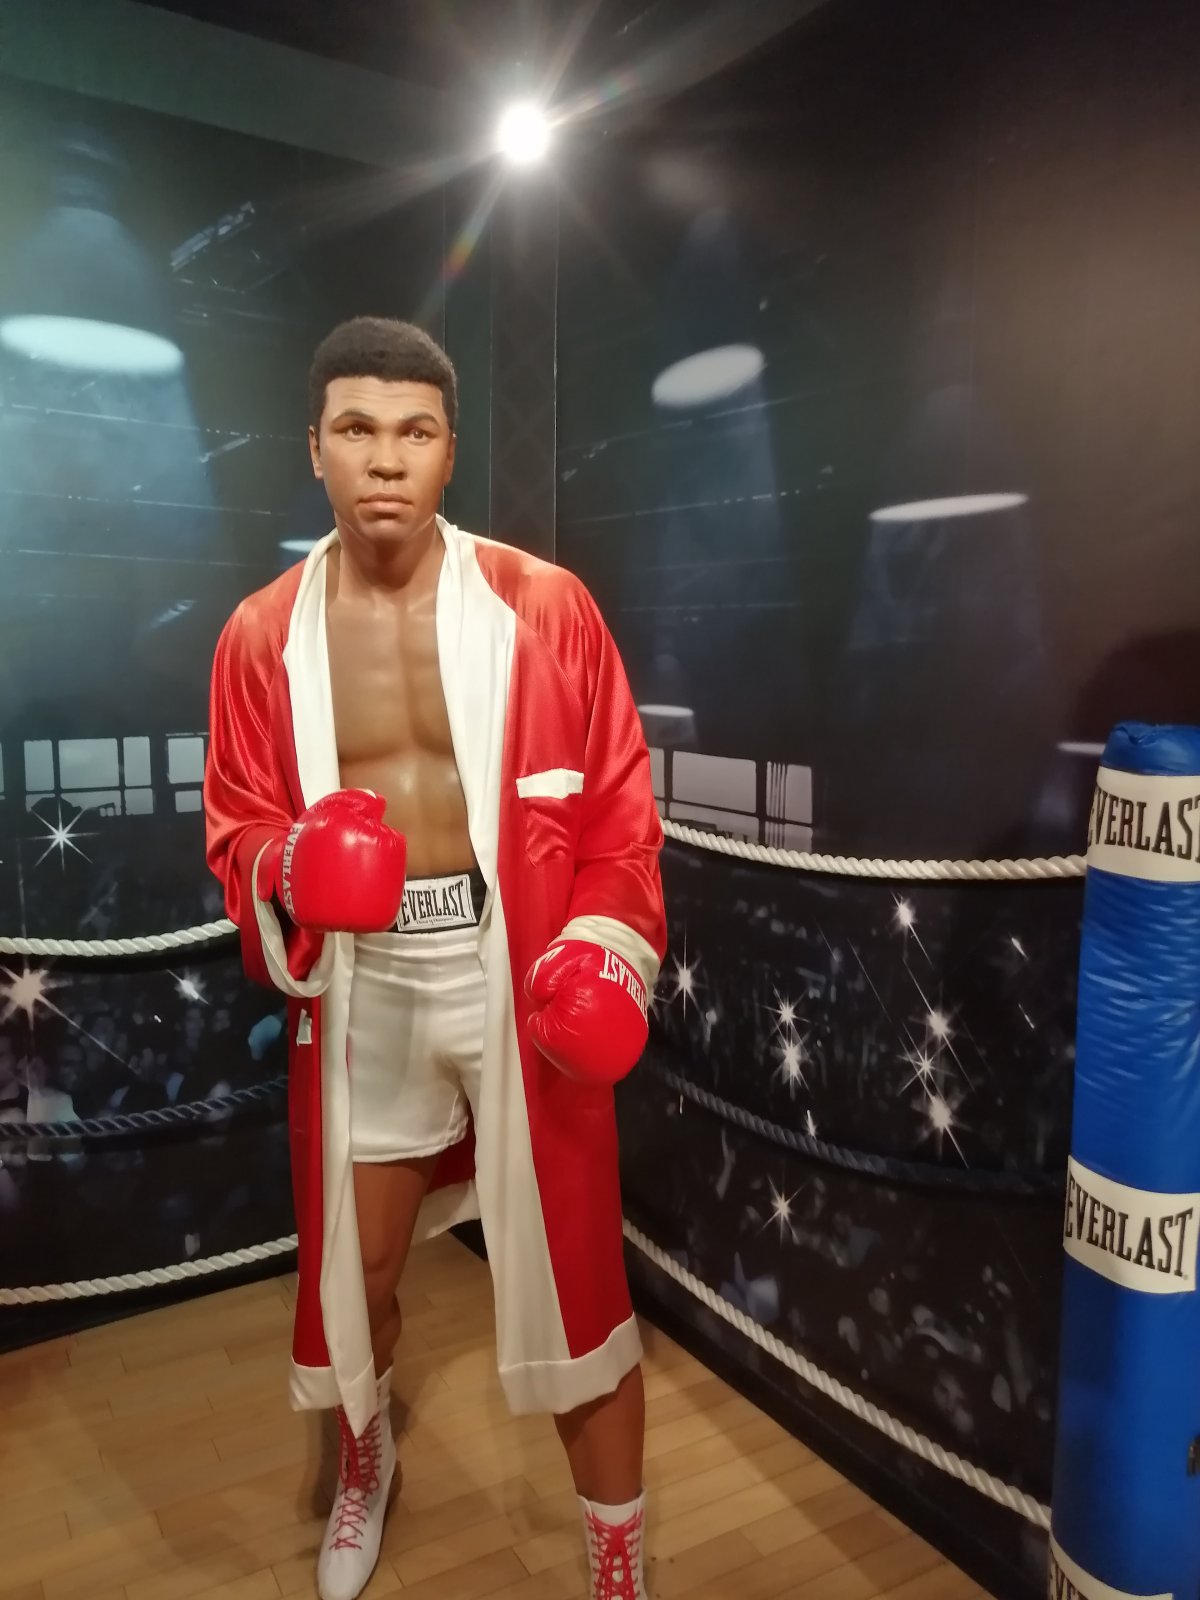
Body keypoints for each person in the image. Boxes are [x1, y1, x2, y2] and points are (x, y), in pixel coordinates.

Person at [203, 317, 666, 1600]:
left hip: (516, 967)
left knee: (574, 1273)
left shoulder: (546, 606)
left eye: (414, 431)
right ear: (314, 448)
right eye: (357, 429)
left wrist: (603, 952)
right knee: (360, 1271)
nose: (386, 459)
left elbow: (621, 811)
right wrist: (290, 866)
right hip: (365, 982)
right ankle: (368, 1458)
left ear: (452, 450)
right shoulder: (258, 636)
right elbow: (236, 822)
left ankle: (616, 1557)